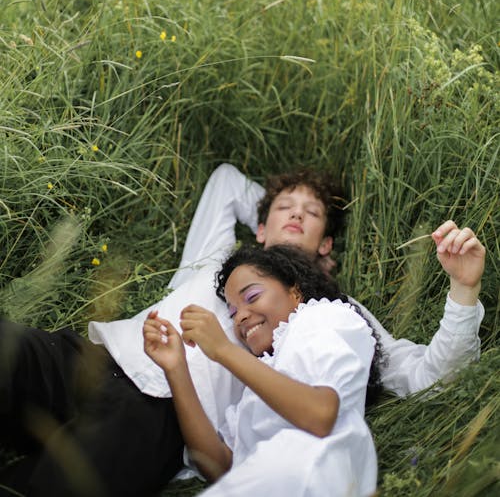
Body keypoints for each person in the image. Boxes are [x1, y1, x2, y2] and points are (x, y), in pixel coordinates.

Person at [0, 164, 485, 496]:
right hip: (98, 356)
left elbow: (430, 376)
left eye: (312, 214)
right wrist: (273, 230)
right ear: (257, 225)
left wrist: (463, 291)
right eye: (283, 208)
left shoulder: (337, 310)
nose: (296, 214)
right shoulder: (218, 262)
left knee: (58, 485)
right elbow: (227, 181)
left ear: (327, 244)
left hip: (162, 415)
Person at [143, 245, 381, 497]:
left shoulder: (320, 318)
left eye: (252, 296)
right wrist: (176, 368)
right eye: (232, 312)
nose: (240, 317)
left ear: (295, 291)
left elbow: (320, 414)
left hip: (307, 474)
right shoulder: (261, 378)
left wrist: (223, 350)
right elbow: (221, 466)